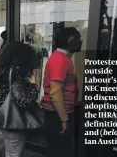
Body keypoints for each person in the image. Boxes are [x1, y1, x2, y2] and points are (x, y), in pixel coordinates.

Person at [0, 42, 41, 157]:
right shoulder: (17, 72)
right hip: (14, 119)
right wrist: (34, 85)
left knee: (10, 149)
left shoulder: (1, 68)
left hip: (2, 113)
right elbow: (23, 100)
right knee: (14, 153)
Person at [42, 27, 82, 157]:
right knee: (59, 151)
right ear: (70, 40)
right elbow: (55, 92)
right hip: (57, 115)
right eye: (79, 38)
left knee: (58, 149)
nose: (81, 41)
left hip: (59, 113)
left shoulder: (64, 58)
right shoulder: (60, 59)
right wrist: (64, 119)